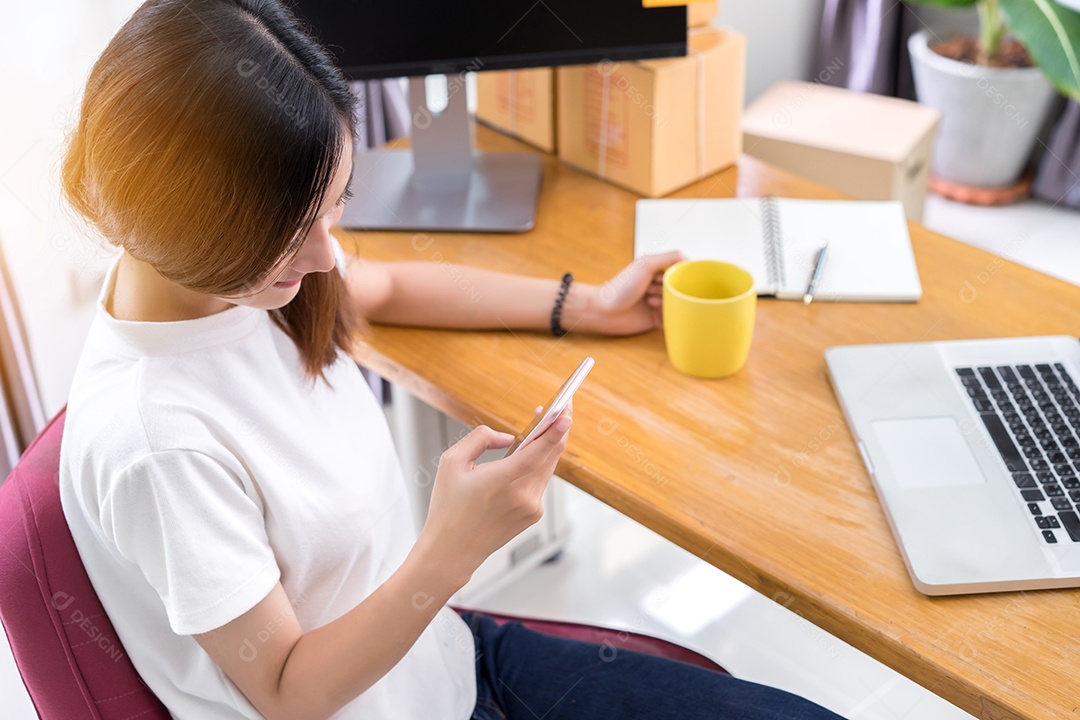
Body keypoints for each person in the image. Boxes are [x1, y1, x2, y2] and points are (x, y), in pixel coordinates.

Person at [57, 1, 846, 718]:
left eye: (336, 208)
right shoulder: (157, 444)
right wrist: (455, 545)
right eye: (297, 229)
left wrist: (586, 304)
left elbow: (390, 284)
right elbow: (288, 693)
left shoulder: (244, 280)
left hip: (446, 664)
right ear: (193, 222)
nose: (329, 255)